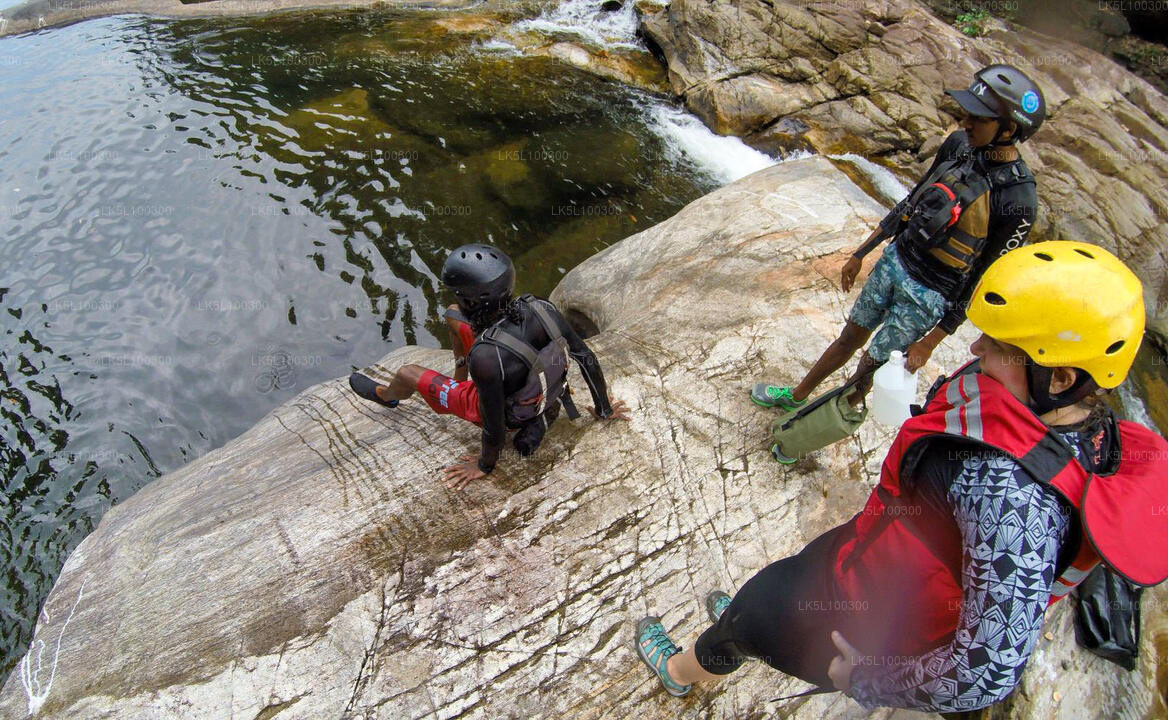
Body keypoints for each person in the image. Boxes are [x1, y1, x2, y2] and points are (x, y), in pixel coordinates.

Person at [636, 241, 1168, 711]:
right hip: (872, 562)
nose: (977, 349)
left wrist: (867, 680)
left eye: (999, 348)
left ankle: (682, 671)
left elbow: (988, 671)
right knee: (776, 587)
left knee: (745, 623)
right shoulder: (1091, 433)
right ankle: (748, 627)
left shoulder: (1013, 498)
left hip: (860, 616)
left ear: (1061, 377)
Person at [751, 64, 1045, 416]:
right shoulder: (958, 146)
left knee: (869, 368)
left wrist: (932, 341)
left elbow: (985, 279)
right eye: (967, 114)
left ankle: (809, 427)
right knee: (849, 338)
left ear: (1009, 129)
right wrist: (862, 252)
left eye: (978, 119)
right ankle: (797, 396)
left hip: (929, 297)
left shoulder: (1018, 200)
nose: (965, 123)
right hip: (896, 261)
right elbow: (912, 201)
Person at [349, 244, 628, 489]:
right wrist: (603, 409)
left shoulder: (486, 357)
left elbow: (493, 422)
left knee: (407, 373)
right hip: (544, 385)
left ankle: (387, 396)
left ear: (472, 299)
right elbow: (585, 356)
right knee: (452, 316)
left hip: (509, 410)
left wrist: (484, 465)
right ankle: (461, 372)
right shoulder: (542, 307)